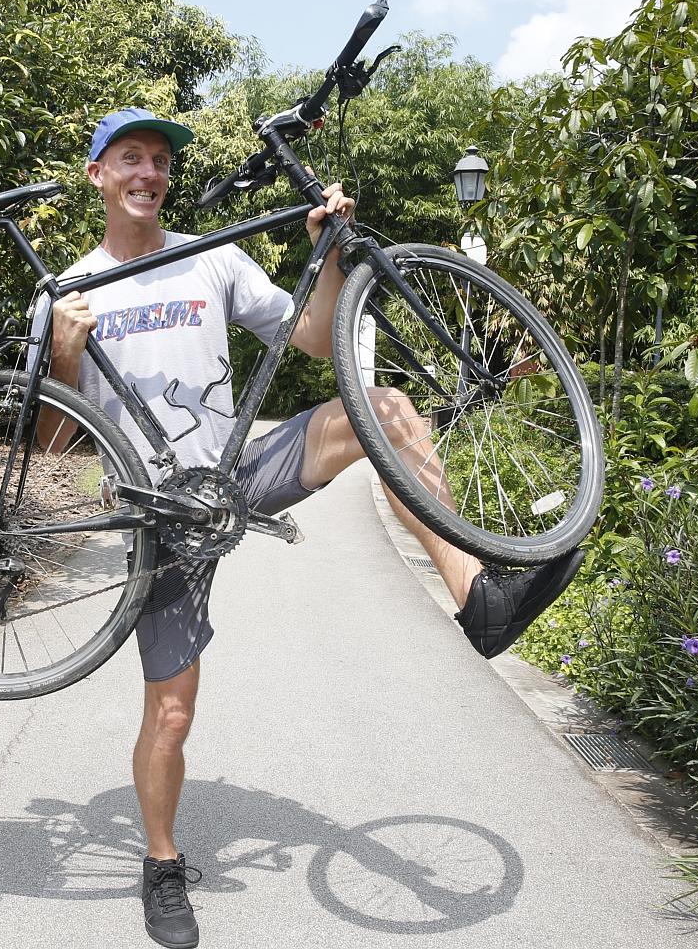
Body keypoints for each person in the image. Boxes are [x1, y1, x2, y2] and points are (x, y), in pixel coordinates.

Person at [42, 108, 585, 949]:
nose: (147, 172)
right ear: (98, 176)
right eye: (129, 159)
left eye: (158, 160)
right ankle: (160, 863)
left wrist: (329, 255)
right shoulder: (70, 290)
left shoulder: (210, 258)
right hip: (158, 516)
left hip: (233, 472)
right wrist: (67, 353)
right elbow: (51, 441)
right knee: (174, 712)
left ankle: (480, 597)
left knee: (389, 412)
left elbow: (311, 338)